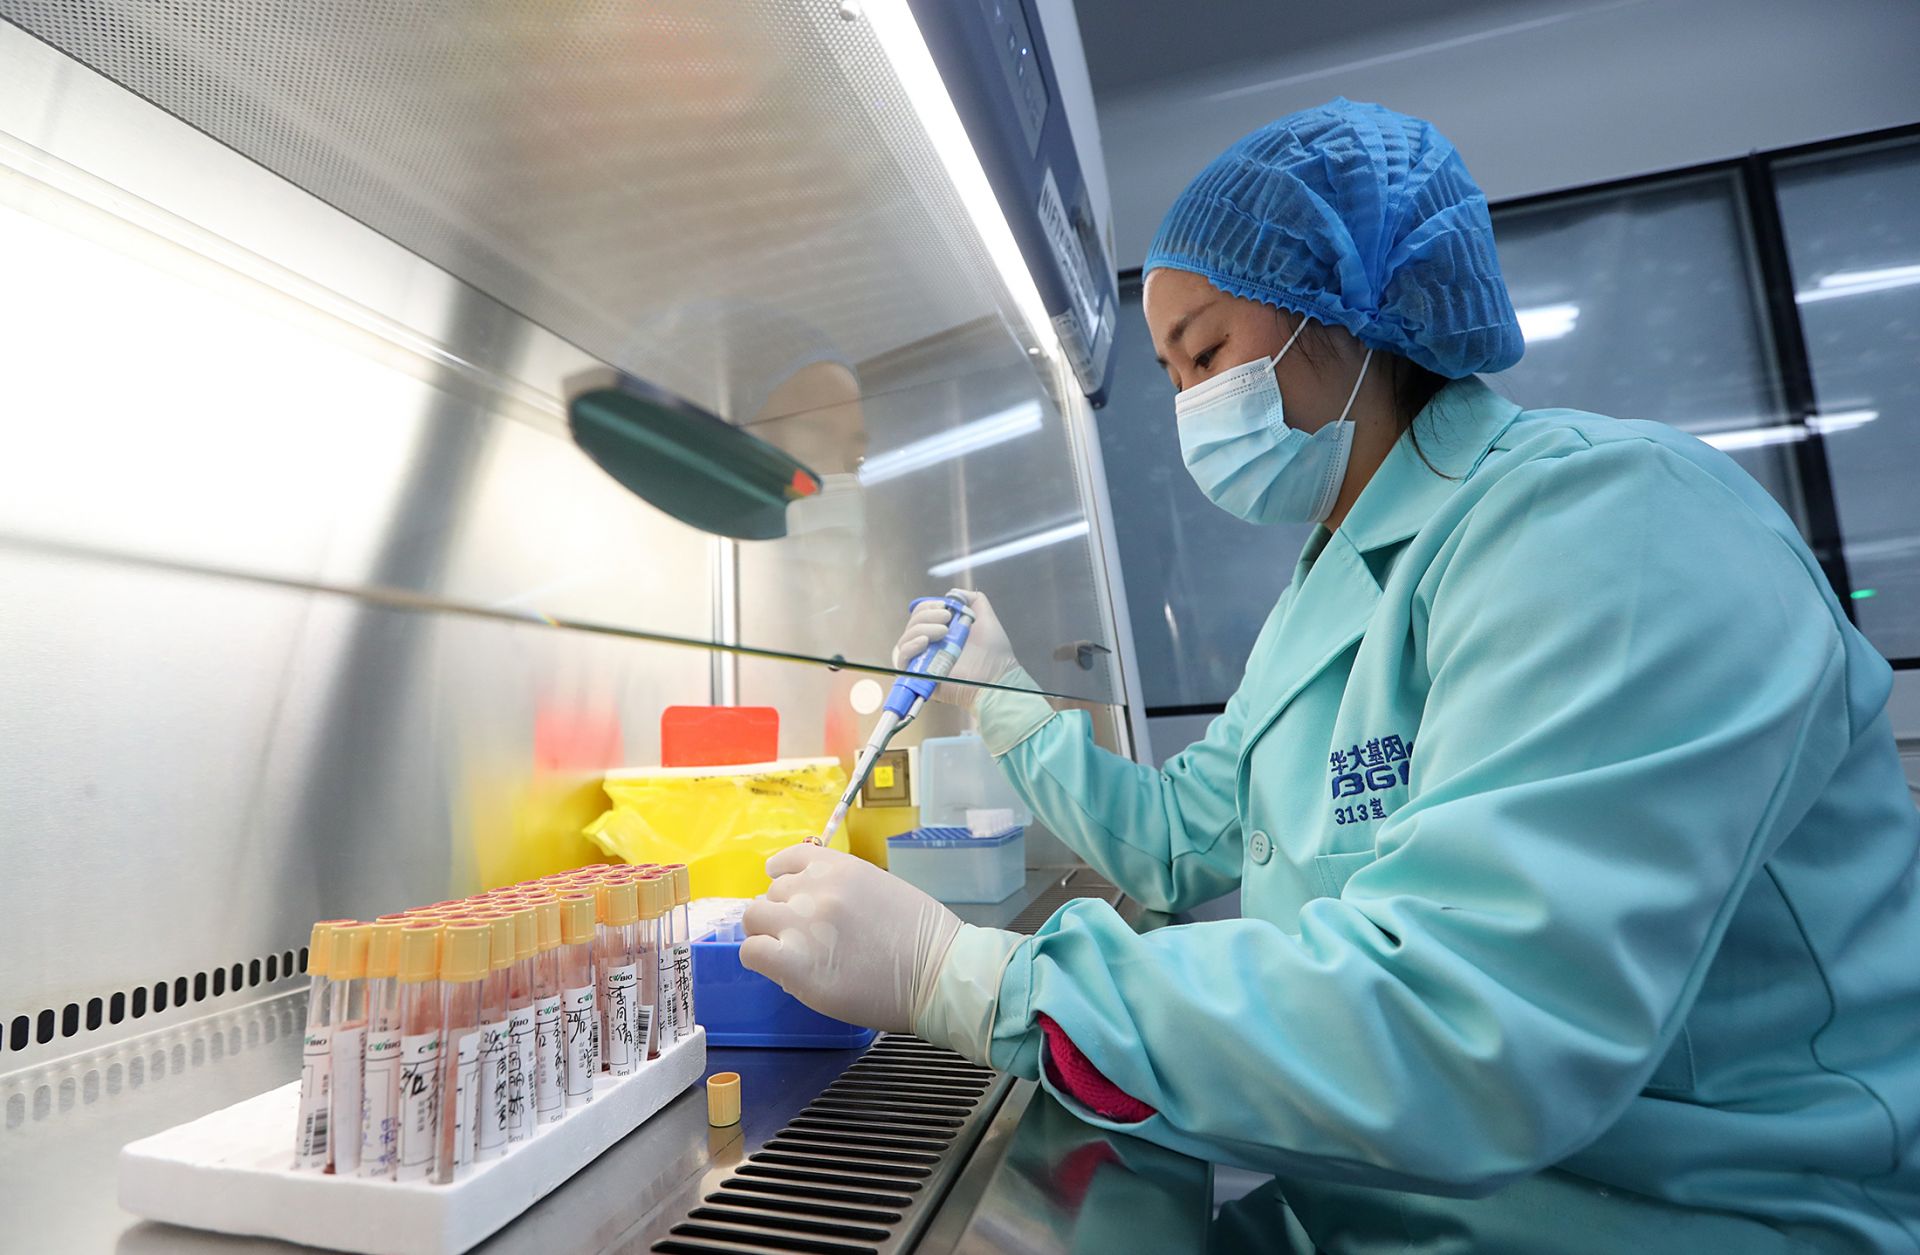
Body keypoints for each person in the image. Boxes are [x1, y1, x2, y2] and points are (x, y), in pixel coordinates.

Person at [740, 99, 1920, 1252]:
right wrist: (1001, 700)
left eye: (1207, 351)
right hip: (1394, 1194)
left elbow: (1474, 1031)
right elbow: (1179, 837)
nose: (1194, 403)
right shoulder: (1325, 593)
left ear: (1347, 311)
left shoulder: (1605, 525)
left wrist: (964, 978)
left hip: (1682, 1214)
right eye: (1170, 371)